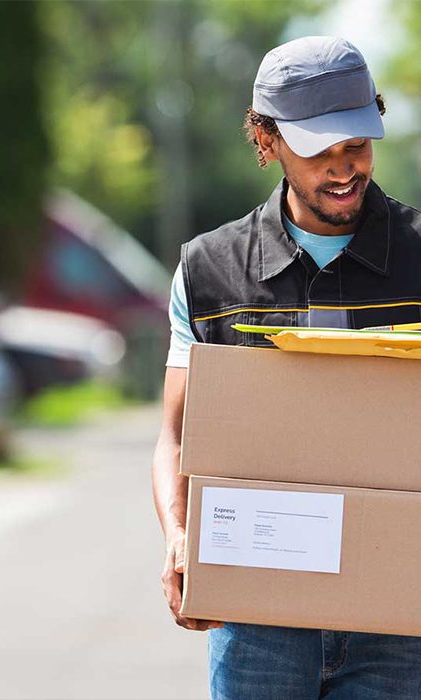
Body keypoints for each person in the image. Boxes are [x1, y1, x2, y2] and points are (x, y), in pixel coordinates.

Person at [152, 35, 421, 699]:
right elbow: (177, 439)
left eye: (355, 145)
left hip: (402, 624)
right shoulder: (209, 272)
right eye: (318, 150)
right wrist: (182, 539)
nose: (343, 168)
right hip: (257, 624)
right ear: (267, 142)